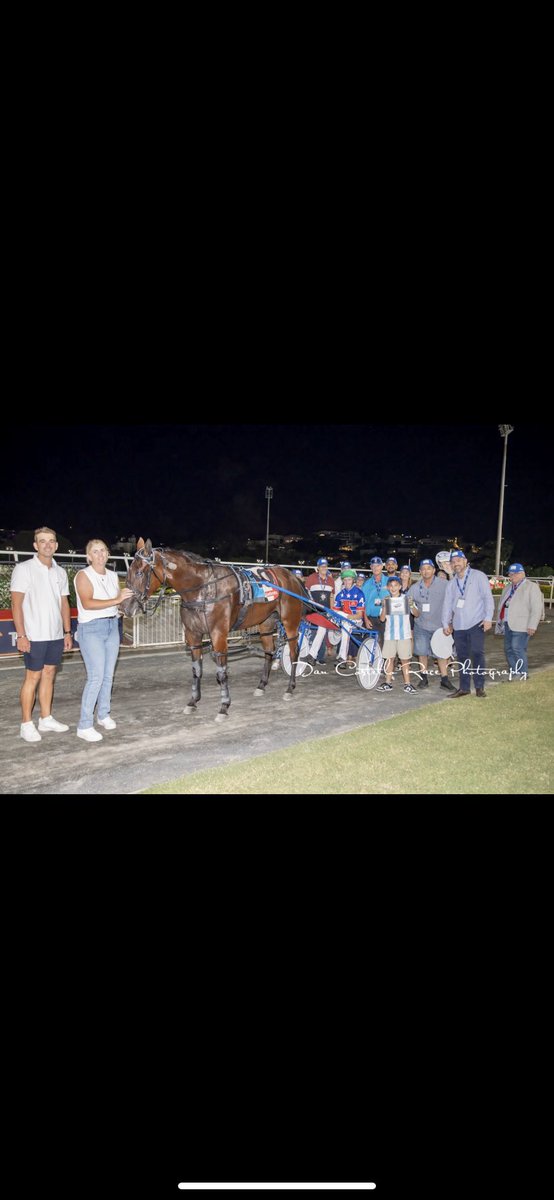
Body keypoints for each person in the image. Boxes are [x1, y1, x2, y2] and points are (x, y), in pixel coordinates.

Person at [10, 526, 73, 742]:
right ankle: (26, 724)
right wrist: (21, 635)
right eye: (42, 541)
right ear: (36, 545)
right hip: (34, 635)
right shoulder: (24, 569)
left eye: (51, 541)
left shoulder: (60, 572)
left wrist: (66, 632)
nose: (47, 544)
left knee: (49, 676)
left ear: (56, 545)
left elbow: (63, 603)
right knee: (33, 677)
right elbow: (16, 604)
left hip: (55, 635)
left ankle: (46, 718)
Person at [74, 540, 134, 741]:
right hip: (91, 629)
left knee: (108, 675)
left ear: (108, 554)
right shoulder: (83, 575)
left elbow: (114, 602)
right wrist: (117, 600)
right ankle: (84, 725)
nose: (100, 555)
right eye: (95, 551)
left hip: (111, 626)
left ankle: (103, 714)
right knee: (96, 676)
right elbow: (88, 603)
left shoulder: (112, 575)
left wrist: (123, 606)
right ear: (88, 556)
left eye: (103, 551)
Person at [441, 549, 494, 698]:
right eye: (453, 562)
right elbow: (447, 605)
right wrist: (446, 623)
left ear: (465, 561)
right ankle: (464, 688)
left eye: (458, 560)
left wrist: (488, 617)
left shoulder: (479, 576)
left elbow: (487, 598)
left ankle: (479, 686)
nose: (456, 563)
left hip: (476, 622)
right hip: (459, 625)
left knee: (477, 653)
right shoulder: (452, 584)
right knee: (462, 657)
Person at [408, 559, 455, 691]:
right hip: (421, 625)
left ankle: (444, 679)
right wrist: (411, 606)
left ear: (434, 570)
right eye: (423, 568)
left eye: (429, 568)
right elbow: (414, 612)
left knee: (441, 653)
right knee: (422, 653)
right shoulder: (415, 588)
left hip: (440, 626)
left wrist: (450, 622)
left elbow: (452, 602)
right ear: (420, 571)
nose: (425, 571)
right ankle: (424, 677)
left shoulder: (444, 584)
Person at [496, 563, 543, 681]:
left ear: (522, 574)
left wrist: (532, 625)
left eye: (515, 574)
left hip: (523, 625)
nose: (512, 576)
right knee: (508, 649)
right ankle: (515, 672)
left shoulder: (531, 587)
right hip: (507, 623)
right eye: (511, 574)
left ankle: (523, 674)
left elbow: (536, 608)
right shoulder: (507, 588)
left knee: (517, 648)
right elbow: (502, 605)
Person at [377, 575, 417, 694]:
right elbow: (382, 619)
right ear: (388, 587)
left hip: (404, 634)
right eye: (391, 586)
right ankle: (388, 683)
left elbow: (417, 613)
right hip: (390, 635)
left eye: (396, 585)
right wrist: (384, 606)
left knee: (405, 660)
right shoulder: (386, 600)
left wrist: (411, 605)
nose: (393, 588)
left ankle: (408, 684)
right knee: (390, 659)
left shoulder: (406, 598)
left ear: (400, 586)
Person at [333, 568, 372, 663]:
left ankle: (343, 657)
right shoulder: (340, 595)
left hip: (356, 621)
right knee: (327, 622)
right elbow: (335, 612)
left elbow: (359, 615)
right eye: (345, 579)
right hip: (342, 619)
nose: (347, 582)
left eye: (349, 579)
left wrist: (345, 617)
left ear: (353, 580)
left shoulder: (359, 593)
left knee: (346, 625)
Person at [303, 557, 337, 664]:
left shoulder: (331, 580)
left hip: (325, 612)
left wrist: (331, 611)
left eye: (325, 566)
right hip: (313, 611)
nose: (324, 568)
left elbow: (331, 596)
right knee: (315, 633)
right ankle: (313, 656)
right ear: (318, 568)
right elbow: (306, 594)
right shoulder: (311, 578)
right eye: (321, 566)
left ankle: (315, 657)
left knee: (322, 632)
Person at [361, 557, 389, 645]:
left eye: (378, 566)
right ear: (371, 567)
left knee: (385, 645)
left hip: (386, 619)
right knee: (370, 645)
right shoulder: (366, 584)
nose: (376, 568)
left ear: (382, 567)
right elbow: (363, 604)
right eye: (373, 566)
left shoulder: (389, 582)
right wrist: (365, 619)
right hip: (371, 619)